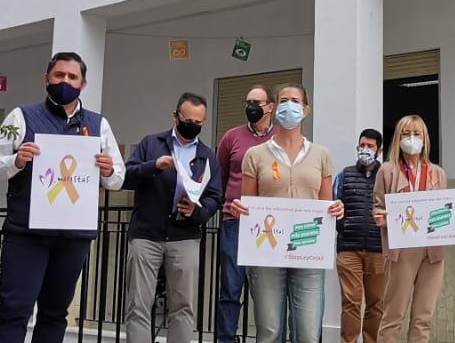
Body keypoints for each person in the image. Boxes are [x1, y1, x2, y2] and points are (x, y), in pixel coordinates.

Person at [0, 51, 126, 343]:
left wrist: (109, 170)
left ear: (83, 84)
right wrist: (16, 161)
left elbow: (117, 179)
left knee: (55, 313)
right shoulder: (22, 116)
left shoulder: (99, 125)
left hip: (73, 236)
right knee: (13, 310)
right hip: (26, 233)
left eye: (72, 77)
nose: (65, 81)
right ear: (46, 79)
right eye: (59, 75)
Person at [231, 85, 344, 343]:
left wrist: (336, 208)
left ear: (305, 110)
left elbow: (326, 204)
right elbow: (248, 204)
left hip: (309, 252)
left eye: (295, 101)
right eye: (283, 100)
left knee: (307, 332)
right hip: (266, 253)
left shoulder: (321, 155)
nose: (288, 105)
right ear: (274, 107)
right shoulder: (255, 155)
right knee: (269, 331)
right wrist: (241, 209)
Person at [121, 92, 223, 343]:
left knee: (183, 306)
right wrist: (153, 166)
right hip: (146, 234)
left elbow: (215, 196)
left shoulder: (208, 156)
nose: (193, 126)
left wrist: (197, 212)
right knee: (138, 305)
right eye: (188, 119)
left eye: (199, 122)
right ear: (175, 116)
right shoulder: (151, 144)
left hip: (185, 236)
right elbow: (125, 177)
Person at [372, 115, 455, 343]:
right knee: (393, 317)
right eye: (407, 133)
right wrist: (380, 217)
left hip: (432, 253)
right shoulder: (387, 171)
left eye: (417, 134)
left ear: (425, 139)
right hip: (401, 252)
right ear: (398, 138)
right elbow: (377, 207)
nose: (412, 139)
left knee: (423, 318)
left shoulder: (438, 173)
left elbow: (442, 213)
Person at [216, 86, 275, 343]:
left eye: (257, 102)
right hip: (235, 222)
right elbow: (220, 175)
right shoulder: (231, 137)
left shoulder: (282, 139)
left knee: (269, 292)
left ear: (270, 106)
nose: (251, 106)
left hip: (271, 227)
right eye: (248, 101)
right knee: (230, 288)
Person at [333, 129, 386, 343]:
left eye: (370, 146)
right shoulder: (344, 175)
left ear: (379, 150)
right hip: (349, 249)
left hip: (379, 250)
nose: (365, 149)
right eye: (362, 145)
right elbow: (333, 205)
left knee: (377, 303)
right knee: (351, 302)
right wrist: (343, 226)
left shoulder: (388, 176)